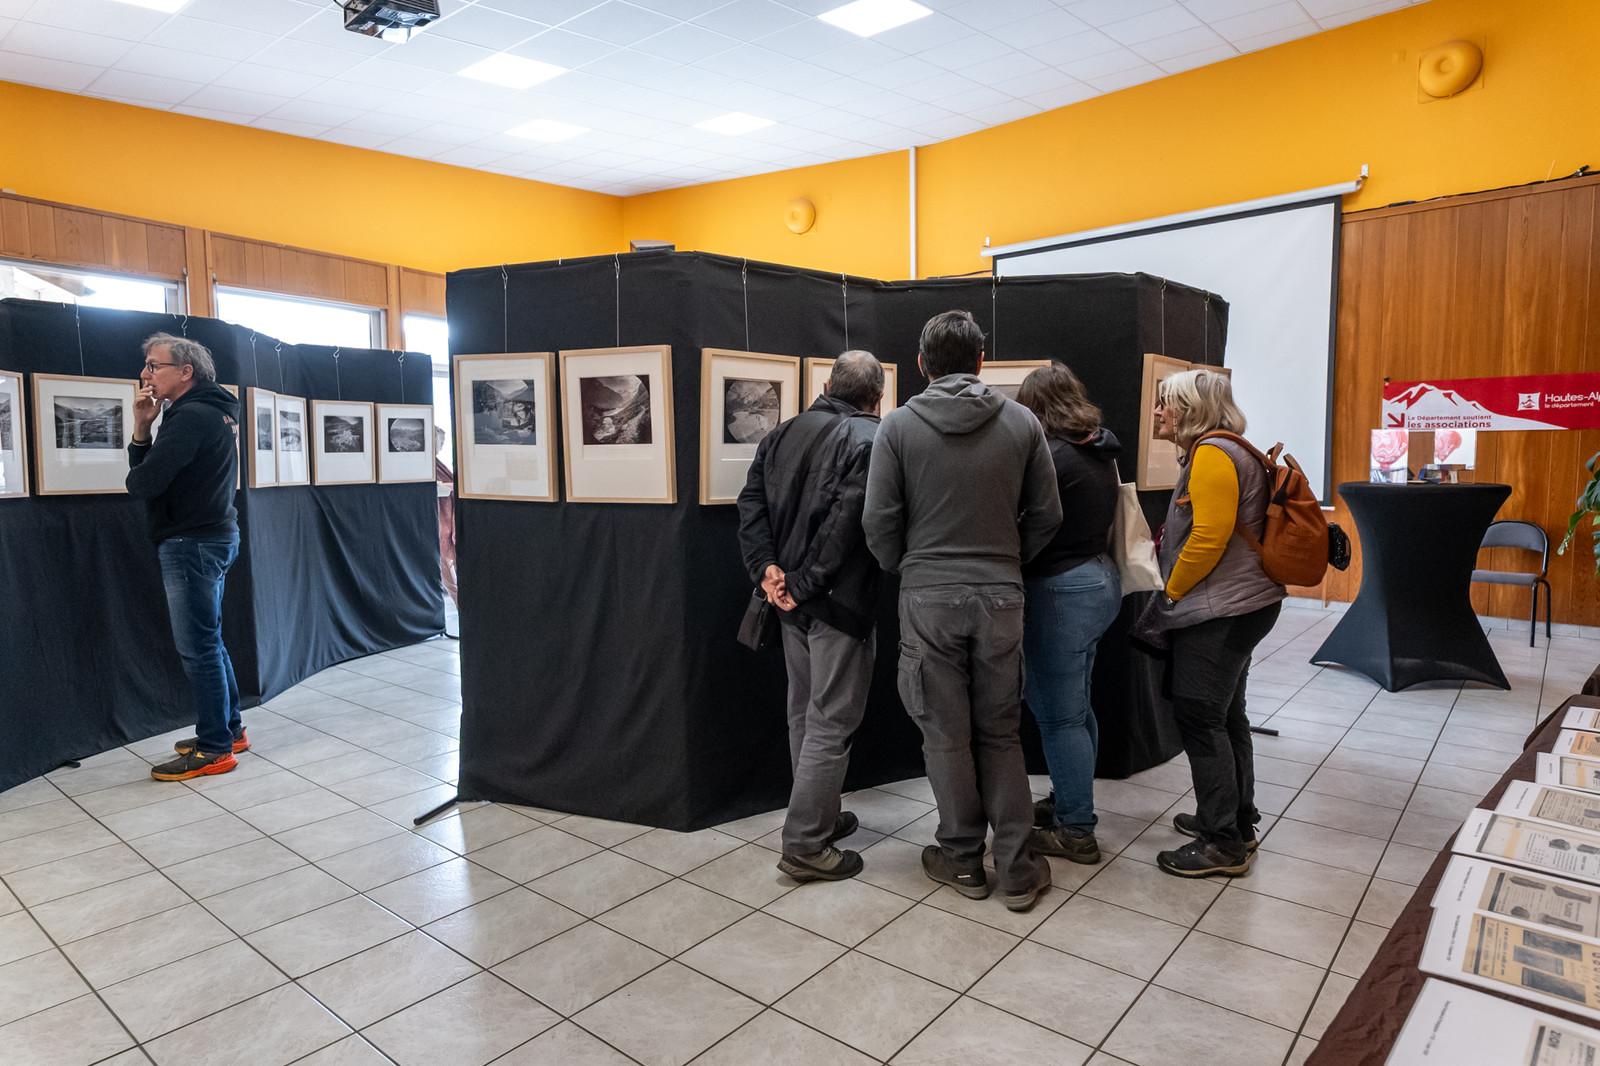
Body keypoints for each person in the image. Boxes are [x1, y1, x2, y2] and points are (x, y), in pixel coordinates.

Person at [863, 311, 1062, 912]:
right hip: (1001, 593)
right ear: (981, 363)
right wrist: (1006, 560)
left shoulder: (896, 428)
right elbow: (1048, 515)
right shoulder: (1023, 422)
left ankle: (961, 861)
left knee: (945, 736)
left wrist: (911, 567)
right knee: (1000, 733)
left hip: (927, 596)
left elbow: (878, 523)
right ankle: (1019, 870)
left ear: (922, 364)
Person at [737, 350, 886, 882]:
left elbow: (749, 505)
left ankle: (817, 817)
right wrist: (796, 584)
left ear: (827, 383)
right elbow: (846, 527)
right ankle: (805, 844)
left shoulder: (782, 432)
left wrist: (767, 572)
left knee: (804, 709)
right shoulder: (869, 439)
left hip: (788, 602)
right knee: (831, 720)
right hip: (834, 603)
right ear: (878, 395)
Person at [1148, 368, 1285, 877]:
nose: (1158, 411)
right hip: (1245, 603)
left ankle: (1221, 843)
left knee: (1201, 717)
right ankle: (1234, 820)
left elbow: (1207, 537)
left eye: (1166, 402)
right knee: (1227, 716)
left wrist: (1171, 590)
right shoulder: (1233, 448)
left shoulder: (1211, 454)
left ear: (1190, 410)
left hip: (1221, 609)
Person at [1015, 365, 1123, 865]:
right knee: (1076, 709)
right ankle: (1069, 797)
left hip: (1060, 590)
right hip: (1097, 581)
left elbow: (1023, 520)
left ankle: (1076, 829)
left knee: (1059, 717)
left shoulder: (1053, 458)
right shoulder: (1097, 448)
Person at [126, 333, 246, 782]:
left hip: (191, 543)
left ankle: (216, 747)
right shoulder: (215, 411)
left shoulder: (190, 416)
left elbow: (141, 484)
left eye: (154, 366)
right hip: (213, 537)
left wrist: (142, 431)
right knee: (209, 641)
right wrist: (146, 425)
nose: (146, 374)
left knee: (198, 648)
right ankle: (229, 731)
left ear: (185, 371)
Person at [434, 426, 458, 611]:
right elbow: (434, 487)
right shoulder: (427, 464)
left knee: (450, 564)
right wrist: (456, 485)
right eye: (440, 442)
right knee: (446, 566)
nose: (442, 446)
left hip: (446, 520)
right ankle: (461, 605)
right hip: (440, 521)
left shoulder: (437, 463)